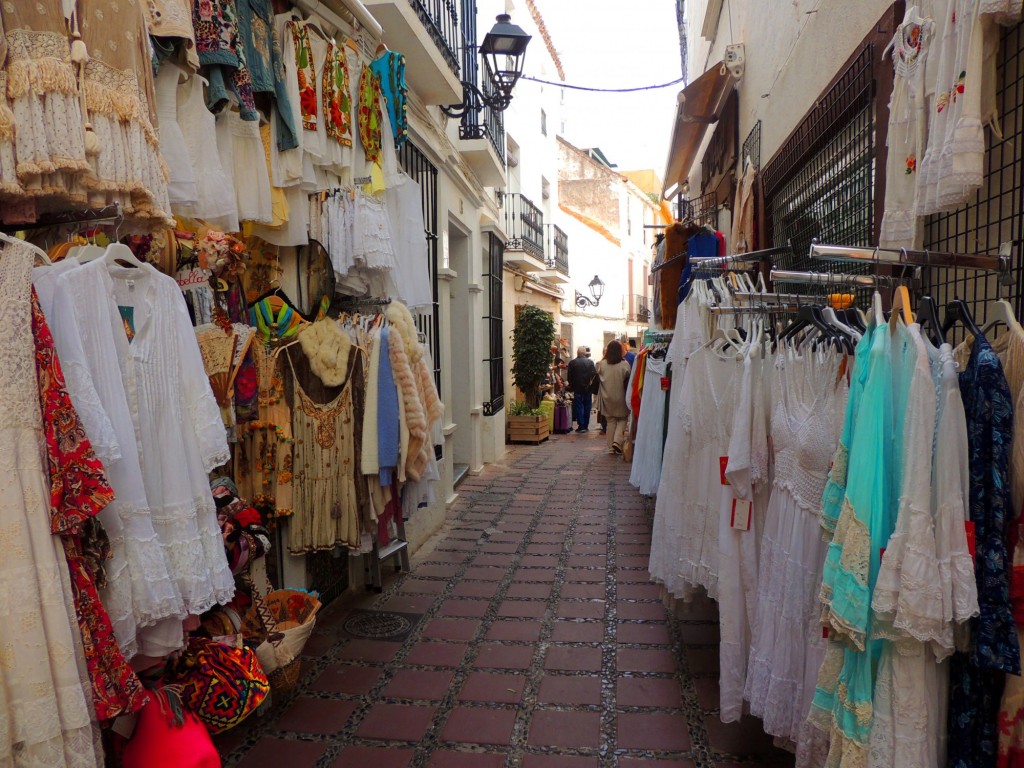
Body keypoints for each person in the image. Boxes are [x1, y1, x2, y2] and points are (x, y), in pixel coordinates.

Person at [596, 340, 631, 453]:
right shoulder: (625, 364)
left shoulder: (601, 364)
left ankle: (611, 448)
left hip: (607, 397)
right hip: (621, 396)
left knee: (610, 421)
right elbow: (628, 379)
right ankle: (617, 441)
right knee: (623, 418)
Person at [566, 345, 596, 432]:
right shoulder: (590, 362)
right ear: (585, 353)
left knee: (579, 406)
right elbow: (594, 375)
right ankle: (586, 425)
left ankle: (581, 426)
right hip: (588, 388)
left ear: (577, 353)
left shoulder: (572, 363)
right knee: (587, 406)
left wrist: (571, 385)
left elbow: (569, 377)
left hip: (577, 388)